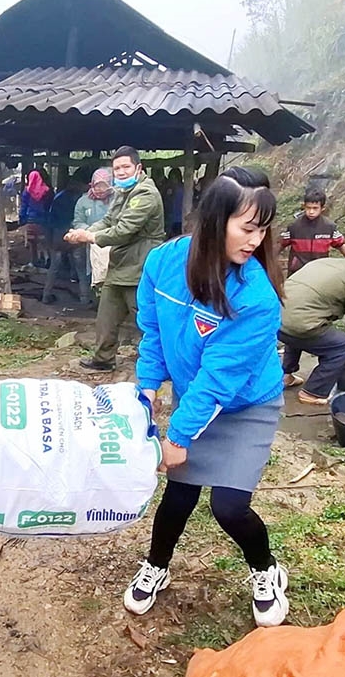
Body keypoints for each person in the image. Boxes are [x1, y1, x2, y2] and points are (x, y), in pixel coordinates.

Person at [124, 166, 290, 627]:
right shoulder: (163, 263)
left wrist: (177, 437)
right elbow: (153, 330)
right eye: (248, 227)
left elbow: (221, 379)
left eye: (262, 230)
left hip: (246, 404)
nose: (256, 240)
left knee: (229, 506)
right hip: (195, 397)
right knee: (179, 495)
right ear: (216, 220)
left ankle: (267, 570)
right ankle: (156, 566)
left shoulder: (256, 299)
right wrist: (147, 384)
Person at [65, 147, 165, 371]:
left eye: (125, 167)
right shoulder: (121, 192)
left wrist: (90, 236)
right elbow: (109, 221)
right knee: (106, 315)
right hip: (120, 263)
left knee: (147, 320)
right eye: (117, 168)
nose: (120, 172)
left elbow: (124, 230)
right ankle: (103, 358)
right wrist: (84, 232)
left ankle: (162, 364)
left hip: (141, 264)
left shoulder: (145, 193)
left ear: (138, 168)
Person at [277, 249, 345, 404]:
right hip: (299, 325)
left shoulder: (323, 263)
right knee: (343, 345)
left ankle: (286, 375)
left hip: (274, 320)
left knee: (299, 324)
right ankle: (313, 392)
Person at [42, 170, 89, 304]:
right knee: (81, 269)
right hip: (75, 236)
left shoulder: (59, 197)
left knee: (53, 268)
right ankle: (85, 298)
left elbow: (50, 219)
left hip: (58, 236)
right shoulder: (81, 199)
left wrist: (49, 240)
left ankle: (46, 295)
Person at [279, 188, 345, 275]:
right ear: (304, 206)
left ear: (322, 208)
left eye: (315, 208)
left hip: (319, 272)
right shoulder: (294, 226)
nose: (311, 212)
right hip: (297, 272)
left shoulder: (329, 227)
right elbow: (280, 245)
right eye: (308, 208)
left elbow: (340, 244)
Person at [73, 168, 113, 296]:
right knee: (87, 271)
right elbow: (77, 222)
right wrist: (87, 233)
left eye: (104, 186)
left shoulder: (117, 200)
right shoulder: (83, 201)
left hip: (113, 243)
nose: (100, 190)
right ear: (91, 184)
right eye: (97, 186)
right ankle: (87, 299)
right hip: (88, 244)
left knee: (110, 274)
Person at [19, 169, 53, 268]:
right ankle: (47, 258)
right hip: (43, 221)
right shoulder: (47, 191)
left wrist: (22, 219)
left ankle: (34, 261)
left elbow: (23, 207)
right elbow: (50, 206)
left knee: (32, 243)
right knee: (44, 242)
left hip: (31, 221)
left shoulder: (27, 191)